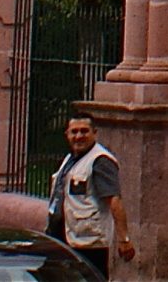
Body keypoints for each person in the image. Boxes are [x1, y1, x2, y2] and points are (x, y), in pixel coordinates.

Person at [47, 114, 134, 280]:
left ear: (94, 133)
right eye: (74, 132)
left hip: (89, 242)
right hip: (66, 235)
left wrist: (124, 239)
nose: (79, 136)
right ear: (67, 134)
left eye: (84, 131)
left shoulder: (100, 161)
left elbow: (114, 200)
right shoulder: (70, 158)